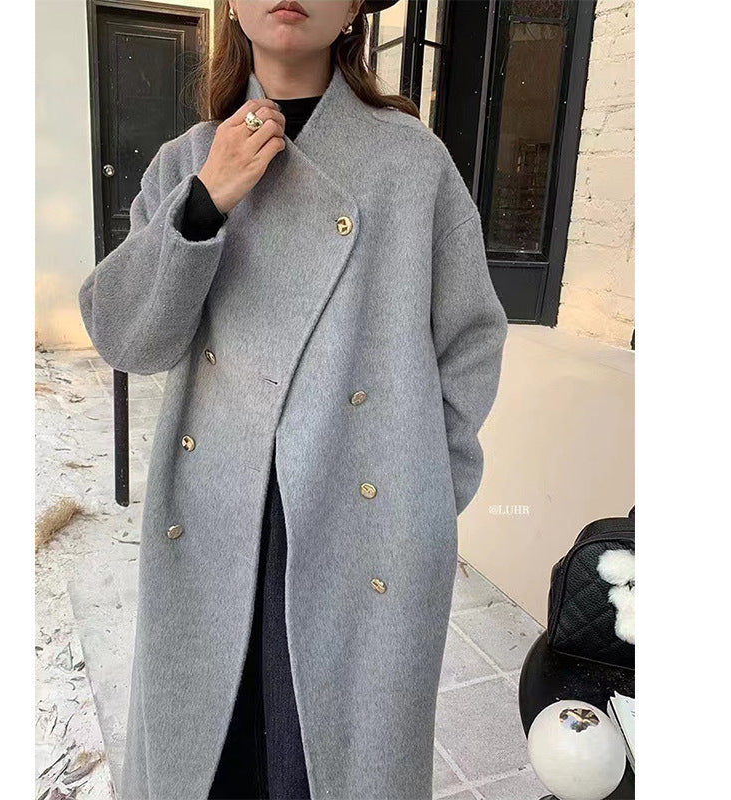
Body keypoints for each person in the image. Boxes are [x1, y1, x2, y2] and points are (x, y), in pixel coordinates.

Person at [77, 1, 509, 798]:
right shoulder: (187, 160)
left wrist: (420, 493)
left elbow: (471, 340)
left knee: (329, 766)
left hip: (361, 517)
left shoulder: (412, 163)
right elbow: (129, 341)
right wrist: (205, 200)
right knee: (216, 760)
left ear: (353, 12)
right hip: (217, 513)